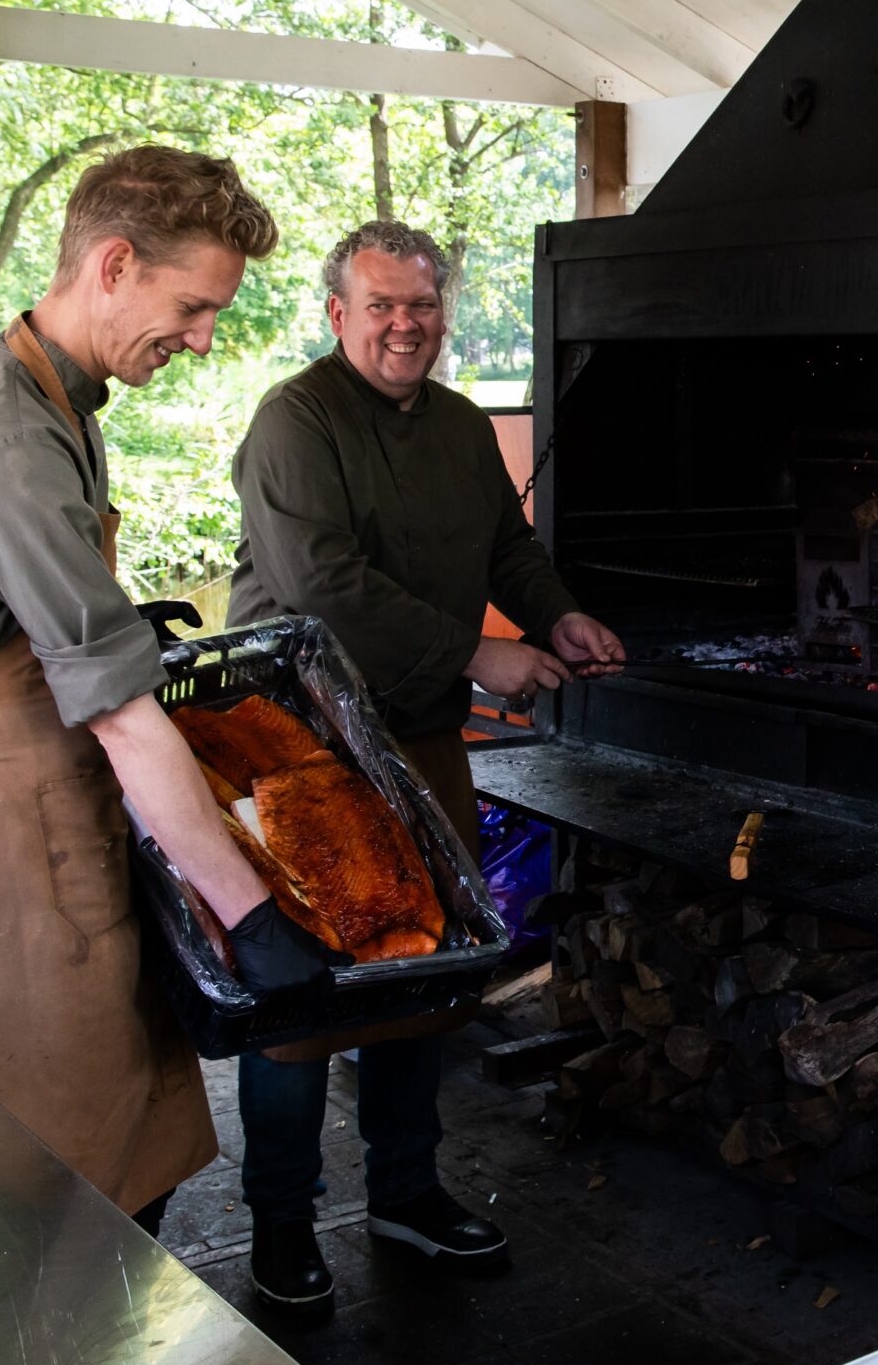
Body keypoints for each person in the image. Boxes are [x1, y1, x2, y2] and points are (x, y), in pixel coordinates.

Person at [0, 146, 341, 1238]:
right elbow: (117, 710)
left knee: (123, 1158)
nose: (204, 339)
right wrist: (252, 912)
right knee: (38, 1194)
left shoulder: (61, 397)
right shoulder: (7, 437)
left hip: (48, 808)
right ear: (113, 263)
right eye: (193, 306)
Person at [227, 219, 625, 1310]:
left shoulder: (454, 425)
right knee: (302, 997)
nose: (407, 324)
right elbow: (322, 586)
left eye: (423, 304)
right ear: (337, 313)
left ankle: (404, 1188)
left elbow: (507, 546)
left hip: (418, 732)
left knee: (427, 972)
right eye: (383, 305)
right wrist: (478, 648)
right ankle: (280, 1223)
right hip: (303, 746)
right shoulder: (294, 422)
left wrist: (559, 612)